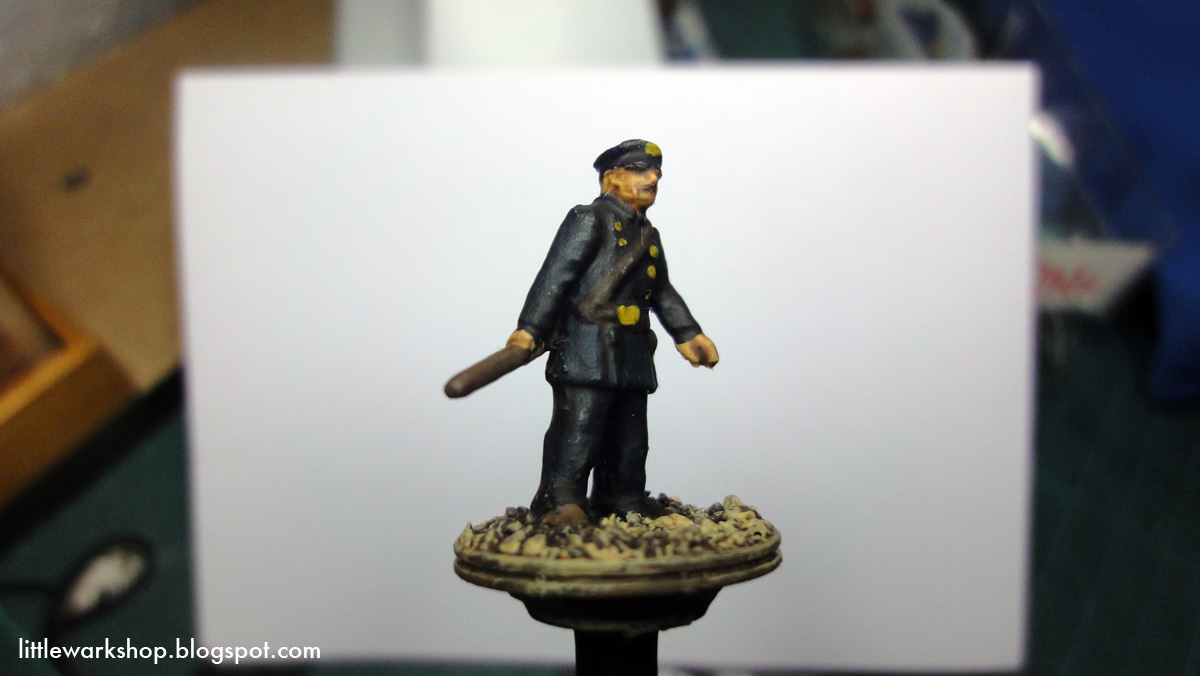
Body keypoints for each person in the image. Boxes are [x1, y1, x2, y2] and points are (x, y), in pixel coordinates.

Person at [505, 139, 718, 526]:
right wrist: (530, 329)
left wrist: (689, 334)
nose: (652, 179)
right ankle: (560, 500)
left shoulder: (648, 234)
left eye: (655, 172)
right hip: (587, 345)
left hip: (632, 349)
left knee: (630, 434)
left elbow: (662, 291)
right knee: (580, 427)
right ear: (610, 177)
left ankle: (622, 497)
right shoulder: (588, 219)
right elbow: (555, 277)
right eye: (640, 170)